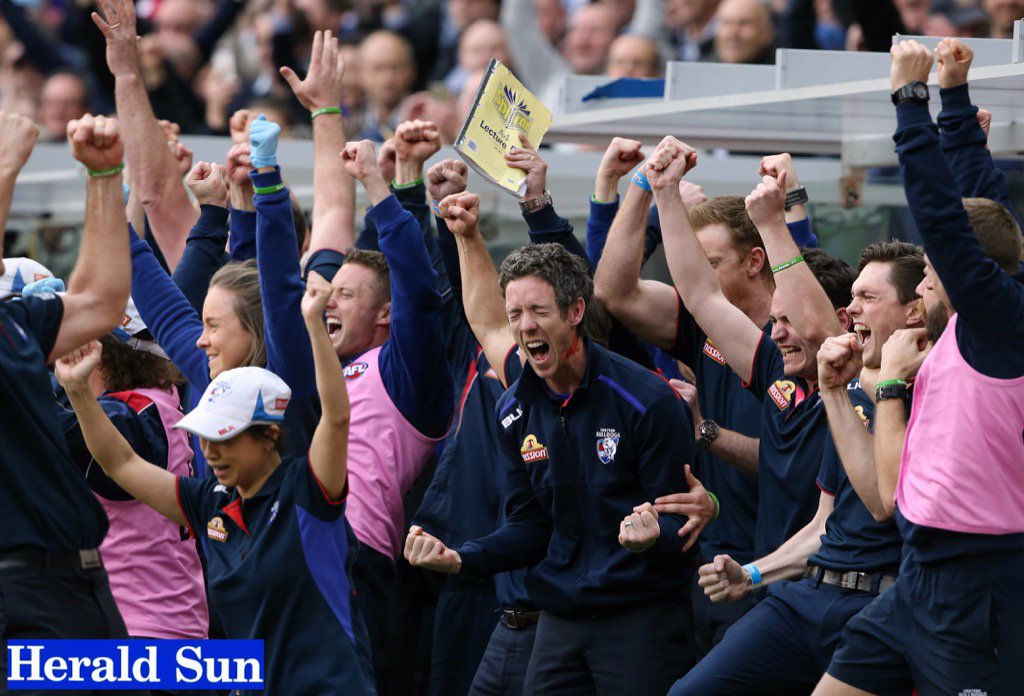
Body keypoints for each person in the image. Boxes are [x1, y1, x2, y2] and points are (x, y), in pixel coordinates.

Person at [406, 228, 700, 694]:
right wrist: (462, 557)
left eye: (539, 311)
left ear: (575, 312)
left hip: (640, 618)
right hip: (561, 619)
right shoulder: (513, 410)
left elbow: (684, 522)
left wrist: (651, 537)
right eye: (515, 314)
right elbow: (531, 525)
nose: (525, 326)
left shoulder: (646, 400)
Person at [815, 39, 1024, 696]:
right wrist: (955, 98)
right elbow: (980, 204)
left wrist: (910, 98)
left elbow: (944, 219)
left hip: (977, 586)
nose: (925, 285)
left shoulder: (1003, 323)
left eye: (931, 272)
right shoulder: (980, 314)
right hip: (915, 576)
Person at [55, 271, 374, 695]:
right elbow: (119, 462)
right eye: (205, 438)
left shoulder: (309, 491)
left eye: (224, 438)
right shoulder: (212, 504)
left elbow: (336, 416)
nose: (210, 452)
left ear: (269, 435)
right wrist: (78, 392)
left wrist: (314, 326)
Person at [668, 240, 924, 694]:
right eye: (854, 296)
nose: (854, 309)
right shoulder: (850, 394)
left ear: (914, 312)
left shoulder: (934, 395)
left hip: (881, 607)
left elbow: (884, 504)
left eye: (869, 298)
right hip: (806, 595)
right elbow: (825, 522)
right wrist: (751, 574)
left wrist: (774, 216)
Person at [652, 136, 855, 564]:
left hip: (830, 587)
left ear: (846, 322)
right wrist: (665, 193)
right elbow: (701, 295)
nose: (777, 334)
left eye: (788, 322)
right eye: (775, 321)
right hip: (770, 583)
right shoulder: (776, 367)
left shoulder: (859, 384)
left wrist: (773, 223)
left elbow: (818, 329)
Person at [0, 111, 133, 663]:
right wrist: (7, 165)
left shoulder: (12, 319)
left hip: (77, 586)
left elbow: (102, 302)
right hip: (18, 597)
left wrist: (103, 178)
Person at [55, 301, 210, 653]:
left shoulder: (124, 417)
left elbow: (37, 426)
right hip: (177, 626)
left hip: (139, 634)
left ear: (103, 357)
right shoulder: (164, 399)